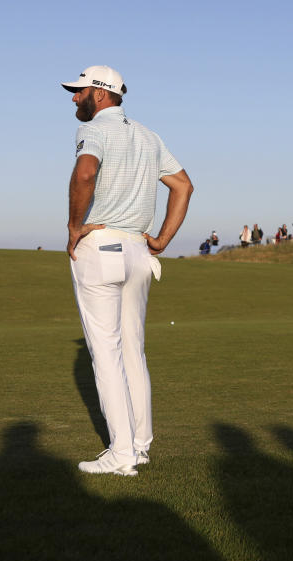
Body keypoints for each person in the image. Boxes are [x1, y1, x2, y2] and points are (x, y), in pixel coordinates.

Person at [62, 65, 193, 476]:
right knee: (133, 352)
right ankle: (139, 446)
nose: (73, 98)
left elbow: (85, 172)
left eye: (79, 91)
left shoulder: (96, 129)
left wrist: (73, 227)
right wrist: (162, 240)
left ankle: (121, 456)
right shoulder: (149, 136)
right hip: (139, 250)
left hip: (102, 247)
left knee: (107, 354)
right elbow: (183, 185)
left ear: (100, 95)